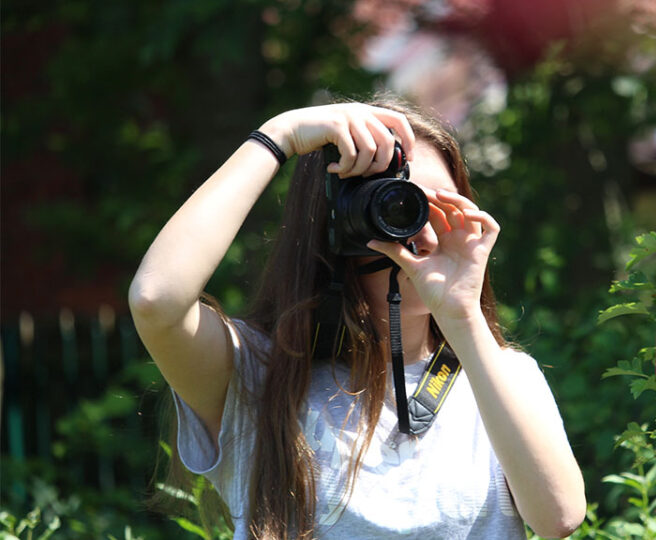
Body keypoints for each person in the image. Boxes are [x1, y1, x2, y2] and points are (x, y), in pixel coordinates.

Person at [129, 96, 586, 539]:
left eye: (442, 207)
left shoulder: (500, 375)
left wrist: (462, 316)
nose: (422, 232)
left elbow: (559, 517)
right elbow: (156, 301)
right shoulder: (255, 373)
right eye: (398, 206)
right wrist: (278, 135)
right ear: (335, 229)